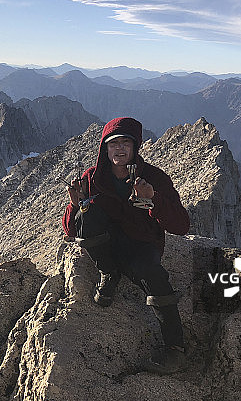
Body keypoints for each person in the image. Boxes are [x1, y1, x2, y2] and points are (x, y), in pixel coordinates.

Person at [62, 117, 190, 374]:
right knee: (89, 214)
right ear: (104, 149)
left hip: (142, 244)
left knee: (154, 275)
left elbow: (181, 226)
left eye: (125, 143)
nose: (119, 149)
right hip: (106, 246)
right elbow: (72, 230)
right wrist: (75, 206)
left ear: (135, 147)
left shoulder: (154, 178)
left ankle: (174, 349)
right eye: (113, 144)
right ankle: (109, 272)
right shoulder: (91, 178)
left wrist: (154, 199)